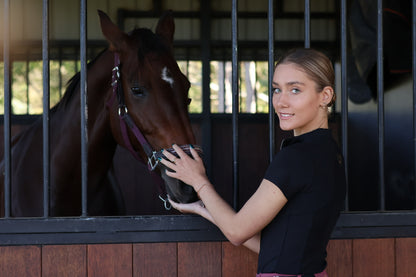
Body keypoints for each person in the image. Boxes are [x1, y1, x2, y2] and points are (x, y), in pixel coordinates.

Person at [160, 48, 346, 277]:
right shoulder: (330, 153)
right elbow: (275, 247)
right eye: (277, 89)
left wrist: (198, 180)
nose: (280, 102)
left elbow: (237, 232)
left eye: (295, 90)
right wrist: (203, 208)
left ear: (325, 96)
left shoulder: (296, 157)